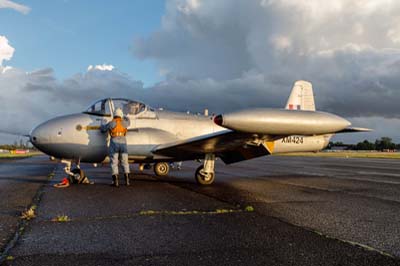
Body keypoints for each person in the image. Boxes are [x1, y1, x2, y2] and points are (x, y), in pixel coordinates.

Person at [101, 108, 131, 187]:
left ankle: (116, 182)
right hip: (123, 143)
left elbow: (103, 130)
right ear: (120, 115)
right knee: (125, 162)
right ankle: (127, 181)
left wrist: (102, 123)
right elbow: (129, 122)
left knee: (114, 162)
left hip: (114, 143)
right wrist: (125, 116)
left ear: (114, 115)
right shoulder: (125, 123)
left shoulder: (112, 123)